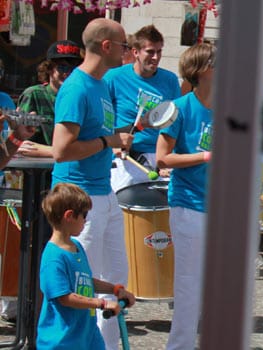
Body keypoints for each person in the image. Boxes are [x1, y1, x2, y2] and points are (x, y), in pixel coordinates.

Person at [51, 18, 134, 349]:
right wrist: (107, 141)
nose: (127, 52)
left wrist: (115, 138)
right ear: (106, 46)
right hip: (79, 196)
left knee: (115, 283)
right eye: (124, 45)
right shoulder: (77, 87)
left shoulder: (101, 85)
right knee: (82, 287)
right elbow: (61, 150)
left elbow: (98, 136)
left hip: (103, 192)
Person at [154, 42, 214, 350]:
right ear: (203, 70)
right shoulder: (179, 108)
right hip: (188, 204)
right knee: (189, 284)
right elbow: (162, 158)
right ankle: (180, 346)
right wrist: (205, 157)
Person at [36, 183, 136, 350]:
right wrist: (101, 303)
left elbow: (86, 281)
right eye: (84, 215)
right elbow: (65, 297)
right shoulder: (53, 258)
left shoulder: (76, 246)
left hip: (87, 335)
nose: (86, 220)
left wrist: (115, 289)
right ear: (69, 216)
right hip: (62, 341)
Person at [106, 25, 181, 192]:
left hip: (159, 158)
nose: (156, 57)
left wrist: (170, 157)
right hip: (127, 158)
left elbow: (176, 122)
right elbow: (102, 118)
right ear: (135, 52)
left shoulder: (169, 80)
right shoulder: (114, 78)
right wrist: (112, 144)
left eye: (159, 51)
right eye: (150, 52)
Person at [16, 40, 84, 158]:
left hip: (73, 166)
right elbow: (23, 144)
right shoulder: (34, 95)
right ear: (49, 68)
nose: (68, 73)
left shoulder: (82, 96)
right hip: (38, 169)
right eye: (63, 68)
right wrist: (63, 151)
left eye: (74, 69)